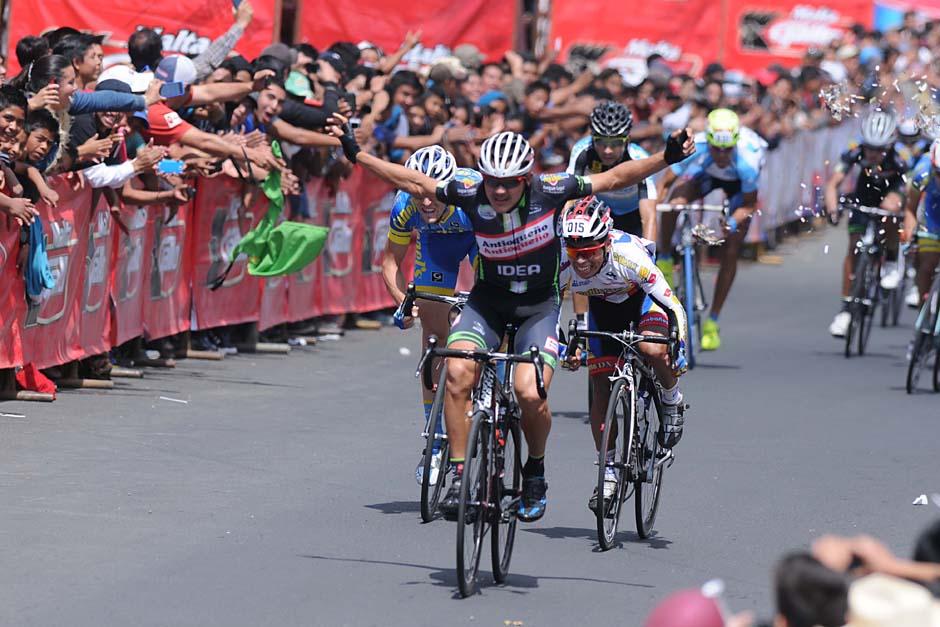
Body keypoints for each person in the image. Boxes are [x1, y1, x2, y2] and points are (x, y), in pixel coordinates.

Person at [326, 113, 694, 522]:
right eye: (491, 181)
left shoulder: (550, 190)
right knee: (456, 372)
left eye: (508, 182)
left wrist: (667, 157)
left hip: (538, 306)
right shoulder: (469, 191)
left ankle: (534, 471)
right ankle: (461, 475)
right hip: (489, 302)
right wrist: (357, 153)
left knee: (530, 393)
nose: (498, 191)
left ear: (526, 178)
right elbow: (414, 182)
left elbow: (615, 178)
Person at [557, 196, 687, 512]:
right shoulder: (563, 264)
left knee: (651, 349)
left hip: (642, 303)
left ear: (605, 244)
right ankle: (610, 470)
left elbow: (673, 305)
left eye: (588, 252)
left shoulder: (628, 257)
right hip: (604, 311)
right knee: (600, 386)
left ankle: (671, 400)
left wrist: (679, 347)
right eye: (575, 252)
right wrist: (563, 347)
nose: (581, 261)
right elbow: (547, 312)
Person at [380, 146, 476, 487]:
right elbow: (390, 263)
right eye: (416, 191)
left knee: (492, 315)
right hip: (436, 247)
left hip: (480, 237)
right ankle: (435, 442)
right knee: (434, 334)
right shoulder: (405, 207)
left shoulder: (472, 198)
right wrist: (403, 303)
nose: (425, 201)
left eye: (432, 192)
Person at [657, 108, 766, 351]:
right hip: (706, 174)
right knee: (675, 202)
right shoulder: (700, 146)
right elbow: (667, 180)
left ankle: (713, 322)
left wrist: (732, 224)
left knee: (731, 246)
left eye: (727, 149)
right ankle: (664, 257)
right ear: (709, 141)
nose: (722, 154)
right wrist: (660, 204)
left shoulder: (747, 162)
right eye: (717, 148)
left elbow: (749, 204)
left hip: (739, 187)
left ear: (735, 144)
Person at [567, 100, 658, 333]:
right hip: (599, 215)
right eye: (601, 143)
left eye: (615, 144)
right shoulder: (581, 152)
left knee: (640, 270)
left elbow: (649, 216)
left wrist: (648, 254)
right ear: (592, 138)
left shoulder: (638, 157)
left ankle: (645, 316)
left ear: (627, 140)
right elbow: (569, 202)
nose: (607, 150)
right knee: (579, 260)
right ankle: (582, 325)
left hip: (631, 216)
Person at [825, 109, 905, 337]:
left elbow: (908, 188)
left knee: (890, 212)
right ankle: (845, 309)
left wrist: (897, 200)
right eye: (869, 147)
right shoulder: (854, 152)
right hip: (863, 196)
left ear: (888, 145)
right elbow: (833, 184)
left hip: (891, 194)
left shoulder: (898, 158)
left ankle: (890, 259)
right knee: (854, 248)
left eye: (879, 149)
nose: (872, 153)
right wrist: (832, 208)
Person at [902, 139, 940, 308]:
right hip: (931, 215)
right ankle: (923, 308)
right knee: (926, 263)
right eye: (939, 174)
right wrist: (909, 235)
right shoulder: (922, 175)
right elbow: (910, 209)